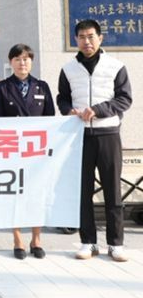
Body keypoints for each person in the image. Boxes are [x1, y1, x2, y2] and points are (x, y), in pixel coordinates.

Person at [57, 19, 132, 262]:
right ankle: (88, 242)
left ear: (100, 38)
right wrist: (68, 110)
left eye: (91, 36)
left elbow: (124, 99)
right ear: (75, 40)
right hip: (79, 137)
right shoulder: (68, 69)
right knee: (83, 192)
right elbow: (62, 98)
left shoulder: (116, 66)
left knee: (113, 191)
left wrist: (98, 110)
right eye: (81, 37)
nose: (86, 41)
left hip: (108, 134)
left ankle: (115, 244)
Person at [0, 43, 55, 260]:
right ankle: (17, 238)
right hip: (13, 150)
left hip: (37, 151)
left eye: (26, 59)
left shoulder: (42, 87)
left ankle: (36, 239)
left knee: (37, 194)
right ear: (11, 62)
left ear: (32, 61)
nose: (22, 63)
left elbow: (49, 119)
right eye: (17, 59)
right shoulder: (2, 87)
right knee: (16, 194)